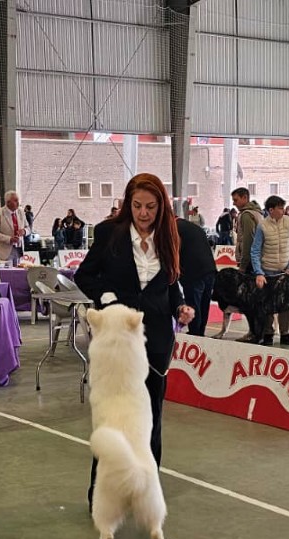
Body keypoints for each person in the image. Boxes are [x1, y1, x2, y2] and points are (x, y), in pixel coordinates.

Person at [74, 173, 194, 507]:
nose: (143, 213)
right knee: (113, 418)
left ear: (161, 207)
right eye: (138, 206)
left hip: (156, 339)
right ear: (129, 204)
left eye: (151, 207)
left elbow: (171, 284)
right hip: (117, 342)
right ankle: (100, 491)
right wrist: (108, 296)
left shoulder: (170, 237)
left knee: (151, 418)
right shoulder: (109, 234)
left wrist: (181, 307)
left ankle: (146, 489)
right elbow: (84, 275)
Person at [250, 195, 289, 346]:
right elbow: (255, 250)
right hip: (268, 272)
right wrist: (259, 272)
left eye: (283, 207)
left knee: (286, 304)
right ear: (271, 210)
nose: (283, 210)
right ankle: (268, 333)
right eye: (279, 208)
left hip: (286, 272)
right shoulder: (262, 226)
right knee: (267, 306)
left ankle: (285, 333)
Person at [177, 217, 215, 337]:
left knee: (193, 306)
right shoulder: (193, 227)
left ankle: (195, 335)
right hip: (210, 268)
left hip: (193, 271)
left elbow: (173, 251)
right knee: (204, 304)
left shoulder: (173, 228)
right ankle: (201, 333)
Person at [0, 191, 26, 265]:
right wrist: (9, 239)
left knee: (18, 273)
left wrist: (24, 231)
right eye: (16, 201)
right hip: (5, 252)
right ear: (8, 202)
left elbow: (28, 227)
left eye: (18, 200)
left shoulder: (21, 211)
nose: (18, 203)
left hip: (19, 250)